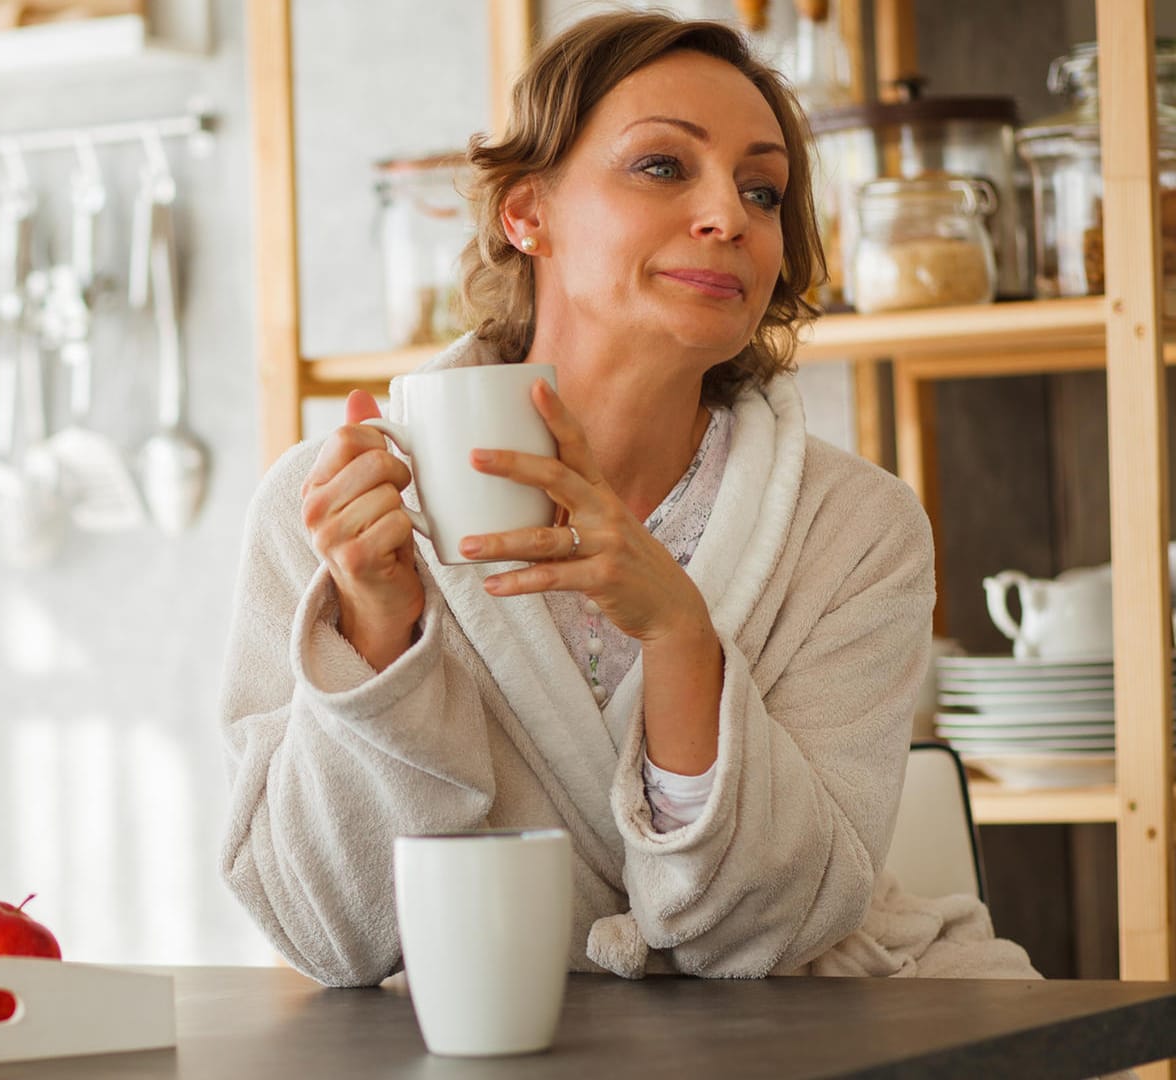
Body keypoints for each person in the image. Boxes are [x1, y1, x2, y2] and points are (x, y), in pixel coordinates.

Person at [219, 11, 1037, 984]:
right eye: (662, 166)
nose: (728, 216)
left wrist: (683, 639)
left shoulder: (856, 531)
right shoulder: (335, 513)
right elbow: (331, 935)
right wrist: (375, 630)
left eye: (762, 189)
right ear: (527, 213)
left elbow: (774, 929)